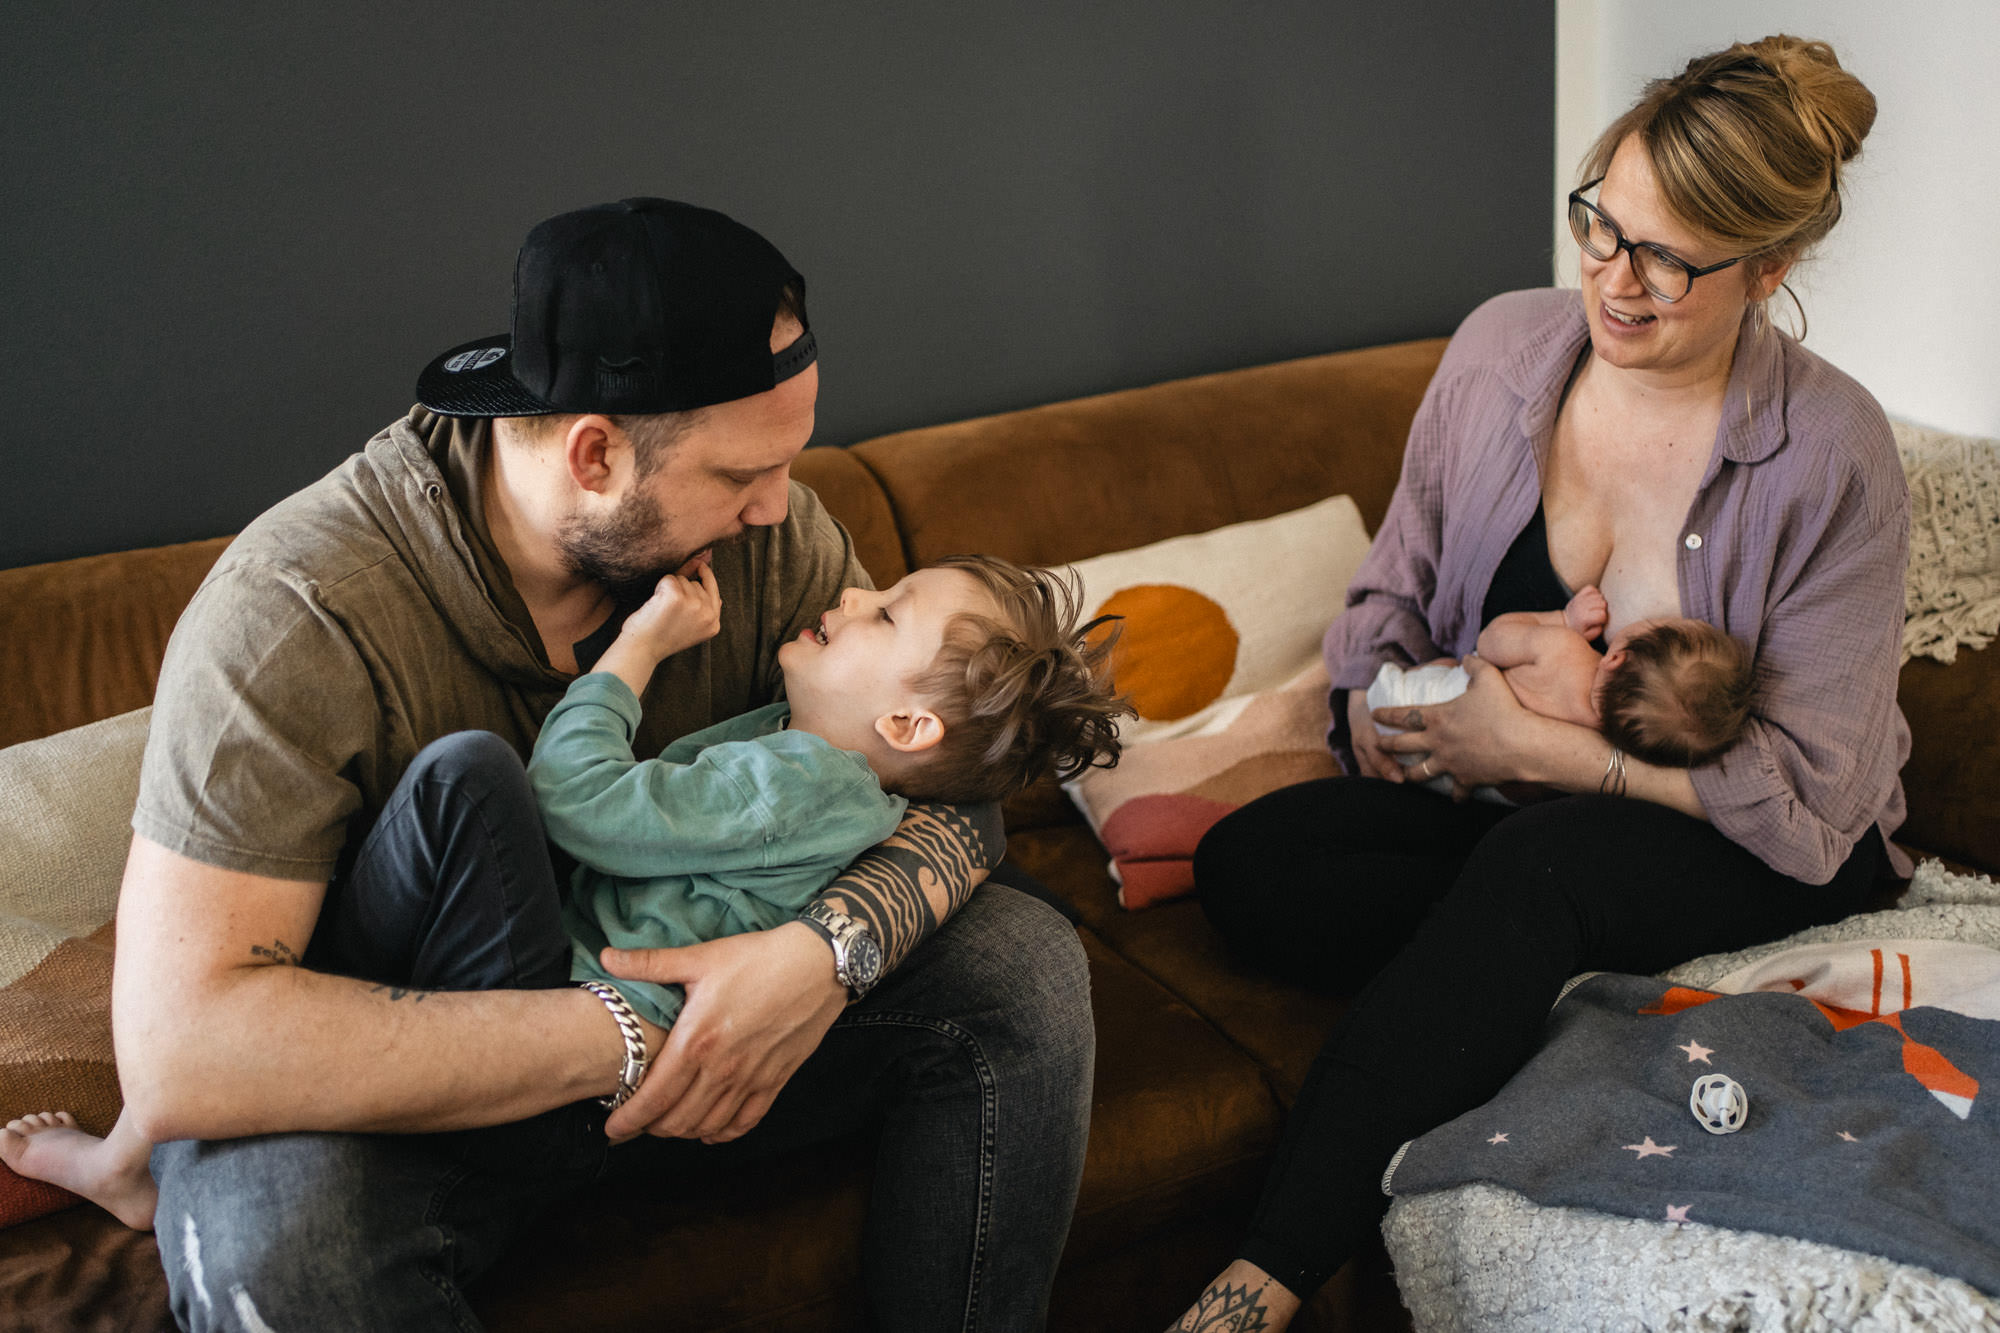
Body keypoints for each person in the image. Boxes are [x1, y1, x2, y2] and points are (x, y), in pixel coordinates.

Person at [57, 196, 1099, 1333]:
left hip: (684, 1034)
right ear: (595, 453)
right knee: (282, 1254)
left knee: (1024, 965)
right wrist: (625, 1032)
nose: (778, 506)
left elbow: (957, 781)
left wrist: (816, 958)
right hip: (407, 1086)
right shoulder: (298, 612)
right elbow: (184, 1052)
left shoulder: (771, 543)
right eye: (742, 473)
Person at [1169, 36, 1909, 1332]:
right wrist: (1385, 714)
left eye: (1667, 260)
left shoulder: (1829, 452)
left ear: (1768, 268)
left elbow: (1814, 807)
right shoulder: (1503, 350)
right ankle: (1521, 972)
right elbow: (1386, 602)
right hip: (1509, 810)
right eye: (1599, 224)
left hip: (1748, 845)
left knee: (1540, 867)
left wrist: (1542, 751)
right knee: (1256, 862)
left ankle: (1260, 1281)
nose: (1612, 282)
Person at [5, 554, 1128, 1242]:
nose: (851, 591)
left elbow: (574, 799)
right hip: (569, 1014)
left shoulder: (801, 780)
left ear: (909, 726)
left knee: (466, 779)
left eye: (885, 614)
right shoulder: (821, 764)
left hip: (558, 1043)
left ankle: (153, 1128)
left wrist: (636, 650)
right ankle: (153, 1132)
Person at [1369, 584, 1754, 800]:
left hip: (1411, 704)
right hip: (1466, 787)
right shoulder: (1599, 745)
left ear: (1616, 658)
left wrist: (1562, 620)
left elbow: (1490, 641)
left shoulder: (1565, 651)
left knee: (1452, 665)